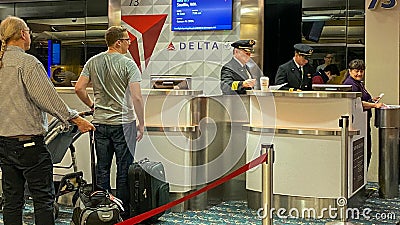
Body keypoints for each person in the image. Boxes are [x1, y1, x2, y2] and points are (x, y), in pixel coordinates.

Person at [0, 16, 95, 225]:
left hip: (4, 144)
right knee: (43, 200)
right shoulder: (27, 63)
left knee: (12, 201)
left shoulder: (2, 62)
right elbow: (48, 99)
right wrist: (76, 119)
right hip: (29, 145)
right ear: (23, 34)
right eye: (28, 32)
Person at [74, 25, 144, 220]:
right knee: (124, 169)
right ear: (118, 42)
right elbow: (137, 98)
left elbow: (79, 88)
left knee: (102, 168)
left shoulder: (93, 62)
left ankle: (101, 211)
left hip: (100, 124)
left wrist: (92, 105)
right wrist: (142, 122)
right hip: (124, 124)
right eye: (127, 40)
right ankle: (120, 213)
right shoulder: (128, 64)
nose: (130, 43)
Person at [342, 59, 383, 169]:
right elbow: (357, 103)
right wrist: (374, 105)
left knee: (366, 153)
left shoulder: (358, 83)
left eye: (361, 71)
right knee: (361, 155)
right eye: (356, 71)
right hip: (357, 124)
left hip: (363, 123)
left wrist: (371, 100)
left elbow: (362, 99)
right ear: (350, 71)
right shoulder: (350, 84)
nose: (359, 74)